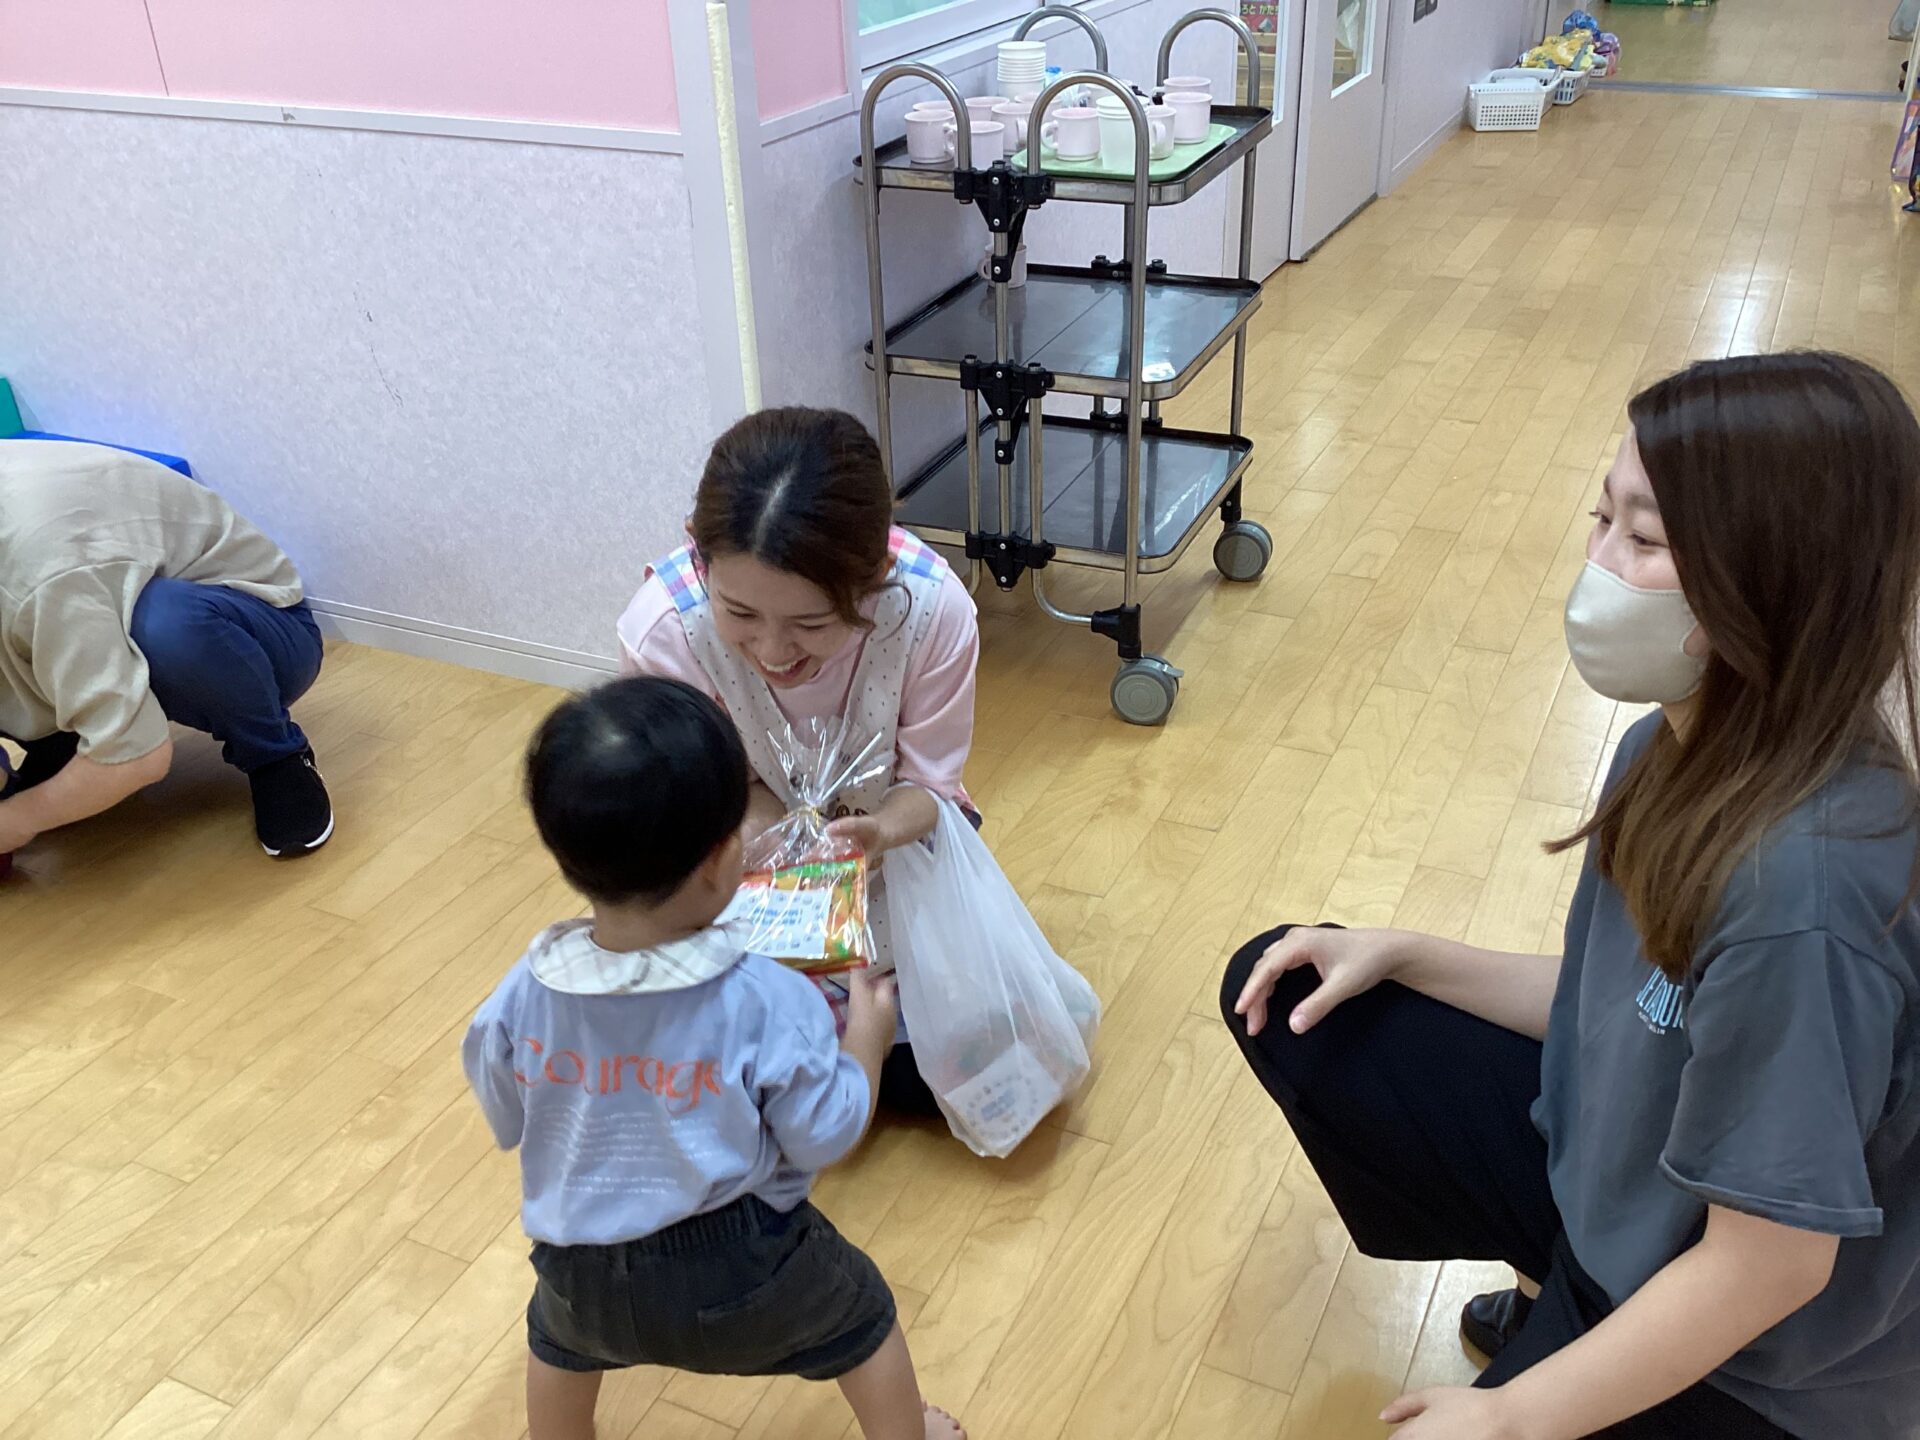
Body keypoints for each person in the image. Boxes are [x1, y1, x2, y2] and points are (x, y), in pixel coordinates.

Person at [1221, 352, 1920, 1439]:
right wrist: (1406, 953)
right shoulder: (1674, 744)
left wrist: (1511, 1417)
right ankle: (1568, 1288)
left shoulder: (1805, 894)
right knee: (1294, 989)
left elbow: (1771, 1265)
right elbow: (1632, 1002)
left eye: (1644, 541)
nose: (1598, 564)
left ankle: (1582, 1327)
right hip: (1637, 1209)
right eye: (1603, 518)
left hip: (1757, 1375)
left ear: (1771, 584)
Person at [461, 677, 963, 1440]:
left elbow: (504, 1113)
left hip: (577, 1262)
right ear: (725, 858)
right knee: (864, 1318)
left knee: (556, 1341)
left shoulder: (523, 991)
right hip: (742, 1263)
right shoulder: (766, 995)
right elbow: (823, 1135)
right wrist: (865, 1034)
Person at [616, 407, 981, 1117]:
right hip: (738, 862)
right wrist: (765, 838)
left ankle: (854, 1052)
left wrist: (876, 832)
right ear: (698, 555)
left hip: (892, 852)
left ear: (877, 575)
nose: (774, 651)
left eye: (812, 623)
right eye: (740, 614)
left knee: (983, 1056)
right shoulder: (667, 632)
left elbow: (930, 787)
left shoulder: (931, 611)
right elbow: (702, 801)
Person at [0, 439, 332, 862]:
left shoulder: (43, 574)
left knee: (158, 623)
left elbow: (140, 756)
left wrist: (20, 820)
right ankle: (63, 739)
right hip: (72, 599)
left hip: (261, 630)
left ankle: (275, 754)